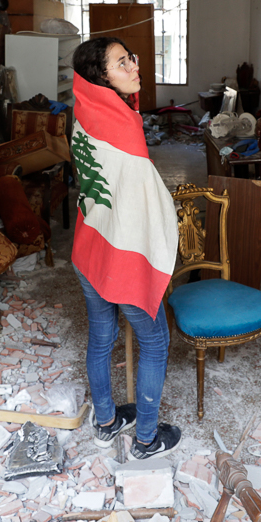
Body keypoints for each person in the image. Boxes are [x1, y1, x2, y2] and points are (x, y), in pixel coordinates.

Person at [69, 36, 182, 460]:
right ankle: (147, 440)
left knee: (101, 337)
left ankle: (106, 422)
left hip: (90, 247)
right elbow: (145, 202)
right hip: (121, 255)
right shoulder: (124, 125)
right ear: (101, 76)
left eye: (131, 58)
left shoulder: (83, 111)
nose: (135, 66)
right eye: (122, 63)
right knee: (155, 343)